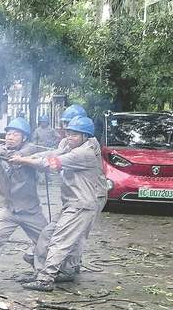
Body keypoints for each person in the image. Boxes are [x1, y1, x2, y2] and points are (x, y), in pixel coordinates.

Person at [10, 115, 107, 291]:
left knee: (60, 240)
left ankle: (45, 280)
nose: (70, 137)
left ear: (85, 136)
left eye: (75, 135)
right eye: (68, 133)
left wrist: (23, 160)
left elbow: (51, 163)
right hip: (70, 203)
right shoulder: (78, 145)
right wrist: (30, 154)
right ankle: (43, 272)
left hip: (81, 205)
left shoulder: (84, 153)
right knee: (47, 234)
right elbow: (53, 153)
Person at [0, 117, 48, 287]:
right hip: (7, 208)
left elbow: (20, 154)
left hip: (30, 209)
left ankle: (42, 273)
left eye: (15, 134)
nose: (10, 137)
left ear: (24, 138)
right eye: (8, 134)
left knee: (44, 239)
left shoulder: (31, 149)